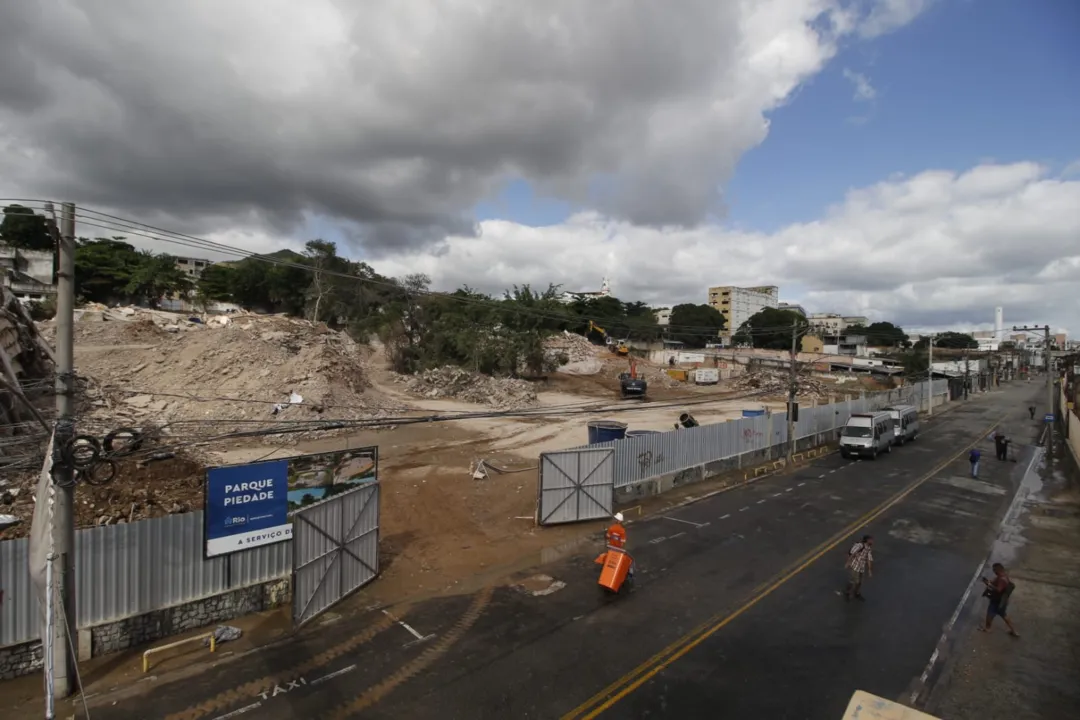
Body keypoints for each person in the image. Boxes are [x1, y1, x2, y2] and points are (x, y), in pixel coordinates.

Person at [979, 563, 1019, 637]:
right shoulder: (1003, 576)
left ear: (998, 570)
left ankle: (988, 628)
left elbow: (998, 590)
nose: (994, 572)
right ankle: (1013, 631)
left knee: (990, 614)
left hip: (997, 601)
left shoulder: (1002, 579)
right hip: (1001, 601)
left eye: (994, 570)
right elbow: (995, 582)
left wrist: (989, 585)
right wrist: (989, 582)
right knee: (1003, 615)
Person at [844, 535, 874, 601]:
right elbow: (853, 554)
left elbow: (869, 559)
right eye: (871, 539)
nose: (872, 541)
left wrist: (869, 570)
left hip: (861, 567)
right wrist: (848, 562)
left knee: (860, 582)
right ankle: (847, 592)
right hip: (855, 566)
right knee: (854, 581)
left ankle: (856, 593)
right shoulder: (860, 546)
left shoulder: (868, 548)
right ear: (867, 540)